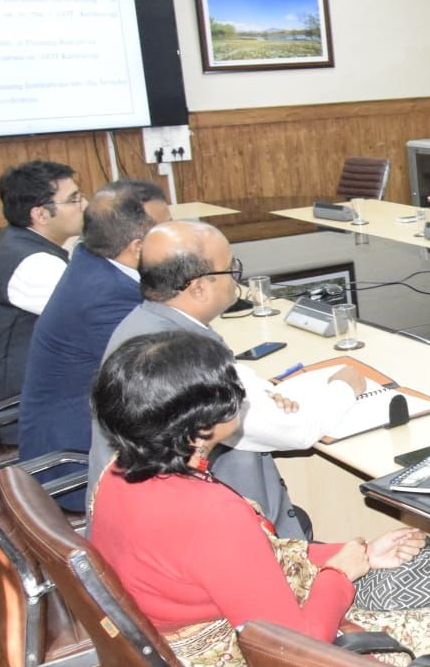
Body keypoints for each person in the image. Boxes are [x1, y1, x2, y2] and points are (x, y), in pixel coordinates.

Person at [90, 330, 430, 667]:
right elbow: (296, 648)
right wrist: (340, 574)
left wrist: (356, 553)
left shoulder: (123, 472)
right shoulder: (206, 512)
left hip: (175, 654)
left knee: (409, 566)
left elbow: (231, 560)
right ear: (203, 422)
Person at [88, 221, 365, 538]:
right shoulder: (179, 357)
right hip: (198, 533)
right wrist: (345, 386)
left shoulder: (145, 325)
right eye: (231, 268)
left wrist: (258, 392)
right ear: (199, 288)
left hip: (139, 518)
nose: (237, 278)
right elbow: (297, 431)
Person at [18, 179, 169, 511]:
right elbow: (166, 378)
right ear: (137, 247)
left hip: (76, 434)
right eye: (166, 231)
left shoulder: (92, 259)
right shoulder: (107, 298)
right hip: (77, 466)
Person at [0, 160, 86, 442]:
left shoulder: (16, 242)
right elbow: (92, 321)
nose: (85, 205)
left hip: (32, 395)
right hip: (19, 415)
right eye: (74, 199)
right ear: (40, 214)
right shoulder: (33, 264)